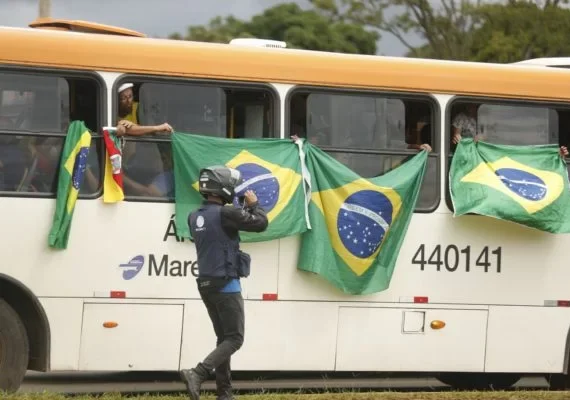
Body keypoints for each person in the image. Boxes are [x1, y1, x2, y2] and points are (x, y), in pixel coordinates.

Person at [180, 165, 268, 400]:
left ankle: (224, 394)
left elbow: (217, 233)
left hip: (206, 285)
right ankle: (197, 373)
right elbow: (260, 223)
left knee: (223, 339)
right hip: (227, 285)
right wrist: (252, 205)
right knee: (235, 339)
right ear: (225, 188)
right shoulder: (227, 214)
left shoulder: (193, 216)